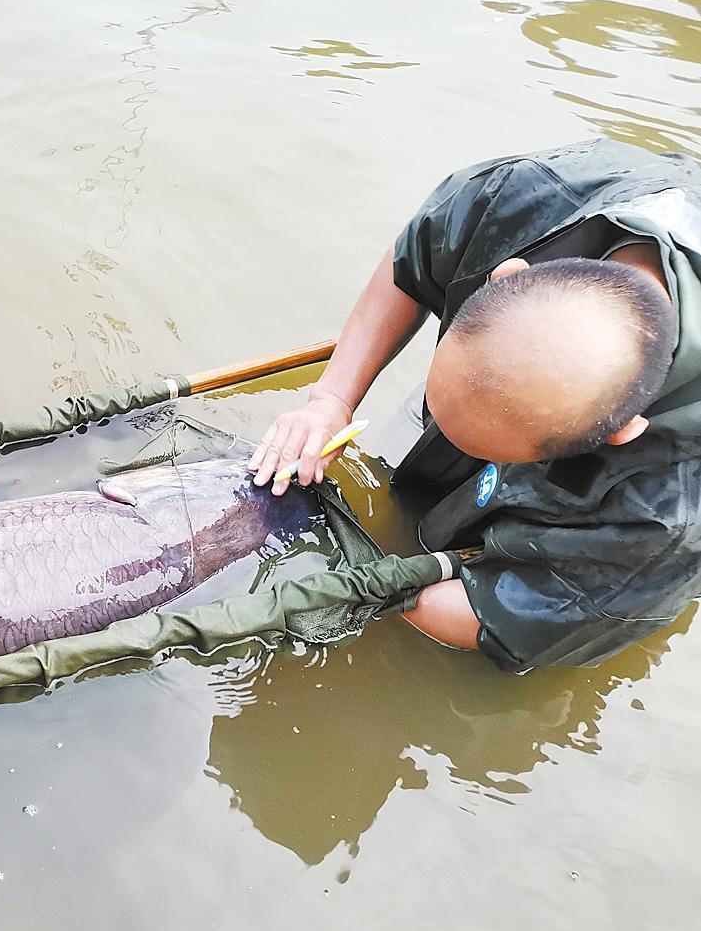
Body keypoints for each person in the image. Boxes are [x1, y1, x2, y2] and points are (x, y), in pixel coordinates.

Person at [250, 139, 701, 671]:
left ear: (619, 433)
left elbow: (524, 616)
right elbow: (414, 263)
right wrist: (331, 400)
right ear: (503, 275)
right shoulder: (516, 199)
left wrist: (361, 579)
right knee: (421, 472)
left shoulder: (671, 512)